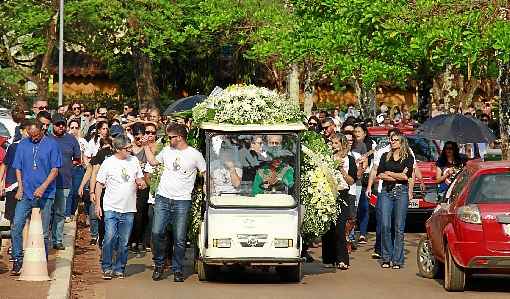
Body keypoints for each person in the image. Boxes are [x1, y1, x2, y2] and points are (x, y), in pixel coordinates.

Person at [145, 123, 206, 282]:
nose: (168, 140)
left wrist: (206, 189)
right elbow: (152, 162)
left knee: (179, 238)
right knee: (157, 232)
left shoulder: (195, 155)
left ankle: (177, 269)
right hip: (163, 198)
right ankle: (159, 264)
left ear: (179, 137)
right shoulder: (166, 151)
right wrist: (146, 146)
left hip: (182, 201)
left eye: (170, 137)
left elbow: (205, 172)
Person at [10, 119, 62, 275]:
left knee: (44, 231)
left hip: (45, 193)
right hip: (26, 192)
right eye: (30, 135)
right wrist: (20, 187)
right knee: (16, 226)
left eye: (36, 135)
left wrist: (43, 187)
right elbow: (18, 168)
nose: (33, 138)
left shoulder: (52, 144)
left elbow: (55, 170)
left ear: (42, 130)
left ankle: (42, 261)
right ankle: (18, 259)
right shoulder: (23, 144)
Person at [95, 135, 146, 279]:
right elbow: (99, 183)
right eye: (127, 148)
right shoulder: (108, 163)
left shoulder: (134, 160)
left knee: (124, 242)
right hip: (111, 206)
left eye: (130, 147)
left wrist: (141, 182)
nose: (130, 150)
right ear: (117, 149)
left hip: (129, 208)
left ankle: (119, 267)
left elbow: (139, 178)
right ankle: (106, 266)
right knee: (109, 237)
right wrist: (97, 205)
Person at [376, 133, 414, 269]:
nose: (392, 142)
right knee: (385, 225)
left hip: (401, 192)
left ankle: (397, 260)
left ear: (402, 142)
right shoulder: (384, 156)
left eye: (395, 140)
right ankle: (386, 257)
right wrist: (396, 176)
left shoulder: (408, 158)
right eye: (391, 140)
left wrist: (389, 173)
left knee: (399, 227)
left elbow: (406, 176)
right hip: (386, 192)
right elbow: (379, 174)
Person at [322, 133, 357, 270]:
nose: (333, 146)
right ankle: (328, 258)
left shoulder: (350, 160)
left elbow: (351, 181)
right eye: (332, 143)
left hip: (343, 194)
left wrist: (341, 169)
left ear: (343, 144)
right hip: (328, 194)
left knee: (340, 227)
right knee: (328, 227)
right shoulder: (327, 158)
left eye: (336, 143)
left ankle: (342, 259)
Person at [51, 114, 81, 250]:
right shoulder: (46, 139)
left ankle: (57, 240)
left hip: (64, 182)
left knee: (60, 212)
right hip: (46, 184)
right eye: (58, 124)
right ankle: (45, 238)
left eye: (63, 124)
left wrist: (67, 167)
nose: (61, 127)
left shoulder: (71, 139)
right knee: (46, 212)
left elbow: (77, 159)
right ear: (53, 125)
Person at [128, 123, 151, 255]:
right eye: (136, 137)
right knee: (130, 213)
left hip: (143, 185)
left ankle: (138, 240)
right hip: (130, 185)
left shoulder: (148, 148)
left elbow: (152, 161)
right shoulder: (129, 147)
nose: (139, 139)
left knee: (141, 214)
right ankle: (130, 240)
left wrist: (146, 145)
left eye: (141, 136)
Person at [65, 119, 88, 221]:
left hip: (79, 169)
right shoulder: (65, 140)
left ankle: (72, 211)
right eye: (72, 127)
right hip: (67, 169)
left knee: (76, 192)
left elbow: (87, 156)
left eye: (76, 128)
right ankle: (67, 214)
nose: (74, 130)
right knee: (69, 192)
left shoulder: (83, 141)